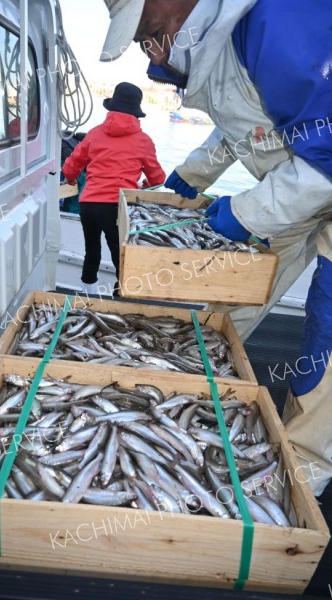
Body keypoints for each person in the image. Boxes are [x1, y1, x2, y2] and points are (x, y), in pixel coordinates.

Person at [100, 0, 332, 496]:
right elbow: (249, 126)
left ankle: (295, 483)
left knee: (326, 340)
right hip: (293, 189)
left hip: (311, 179)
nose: (149, 46)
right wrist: (197, 170)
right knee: (229, 299)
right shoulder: (208, 38)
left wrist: (246, 213)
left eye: (146, 28)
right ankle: (193, 381)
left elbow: (326, 153)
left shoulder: (278, 24)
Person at [62, 81, 165, 296]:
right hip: (116, 208)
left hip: (88, 203)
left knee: (92, 250)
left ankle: (86, 293)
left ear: (111, 108)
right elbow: (157, 178)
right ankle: (119, 298)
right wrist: (144, 186)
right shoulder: (143, 141)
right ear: (136, 113)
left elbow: (72, 164)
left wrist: (71, 180)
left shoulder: (94, 133)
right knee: (120, 254)